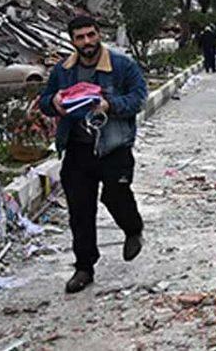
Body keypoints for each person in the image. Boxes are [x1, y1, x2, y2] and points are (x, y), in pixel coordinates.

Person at [38, 15, 147, 294]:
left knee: (116, 195)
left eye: (90, 35)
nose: (86, 42)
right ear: (72, 41)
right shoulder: (63, 70)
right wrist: (54, 102)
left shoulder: (122, 66)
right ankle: (84, 267)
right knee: (80, 210)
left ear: (98, 34)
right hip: (77, 149)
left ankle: (133, 229)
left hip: (113, 147)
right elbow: (45, 100)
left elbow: (139, 98)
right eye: (80, 37)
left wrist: (109, 105)